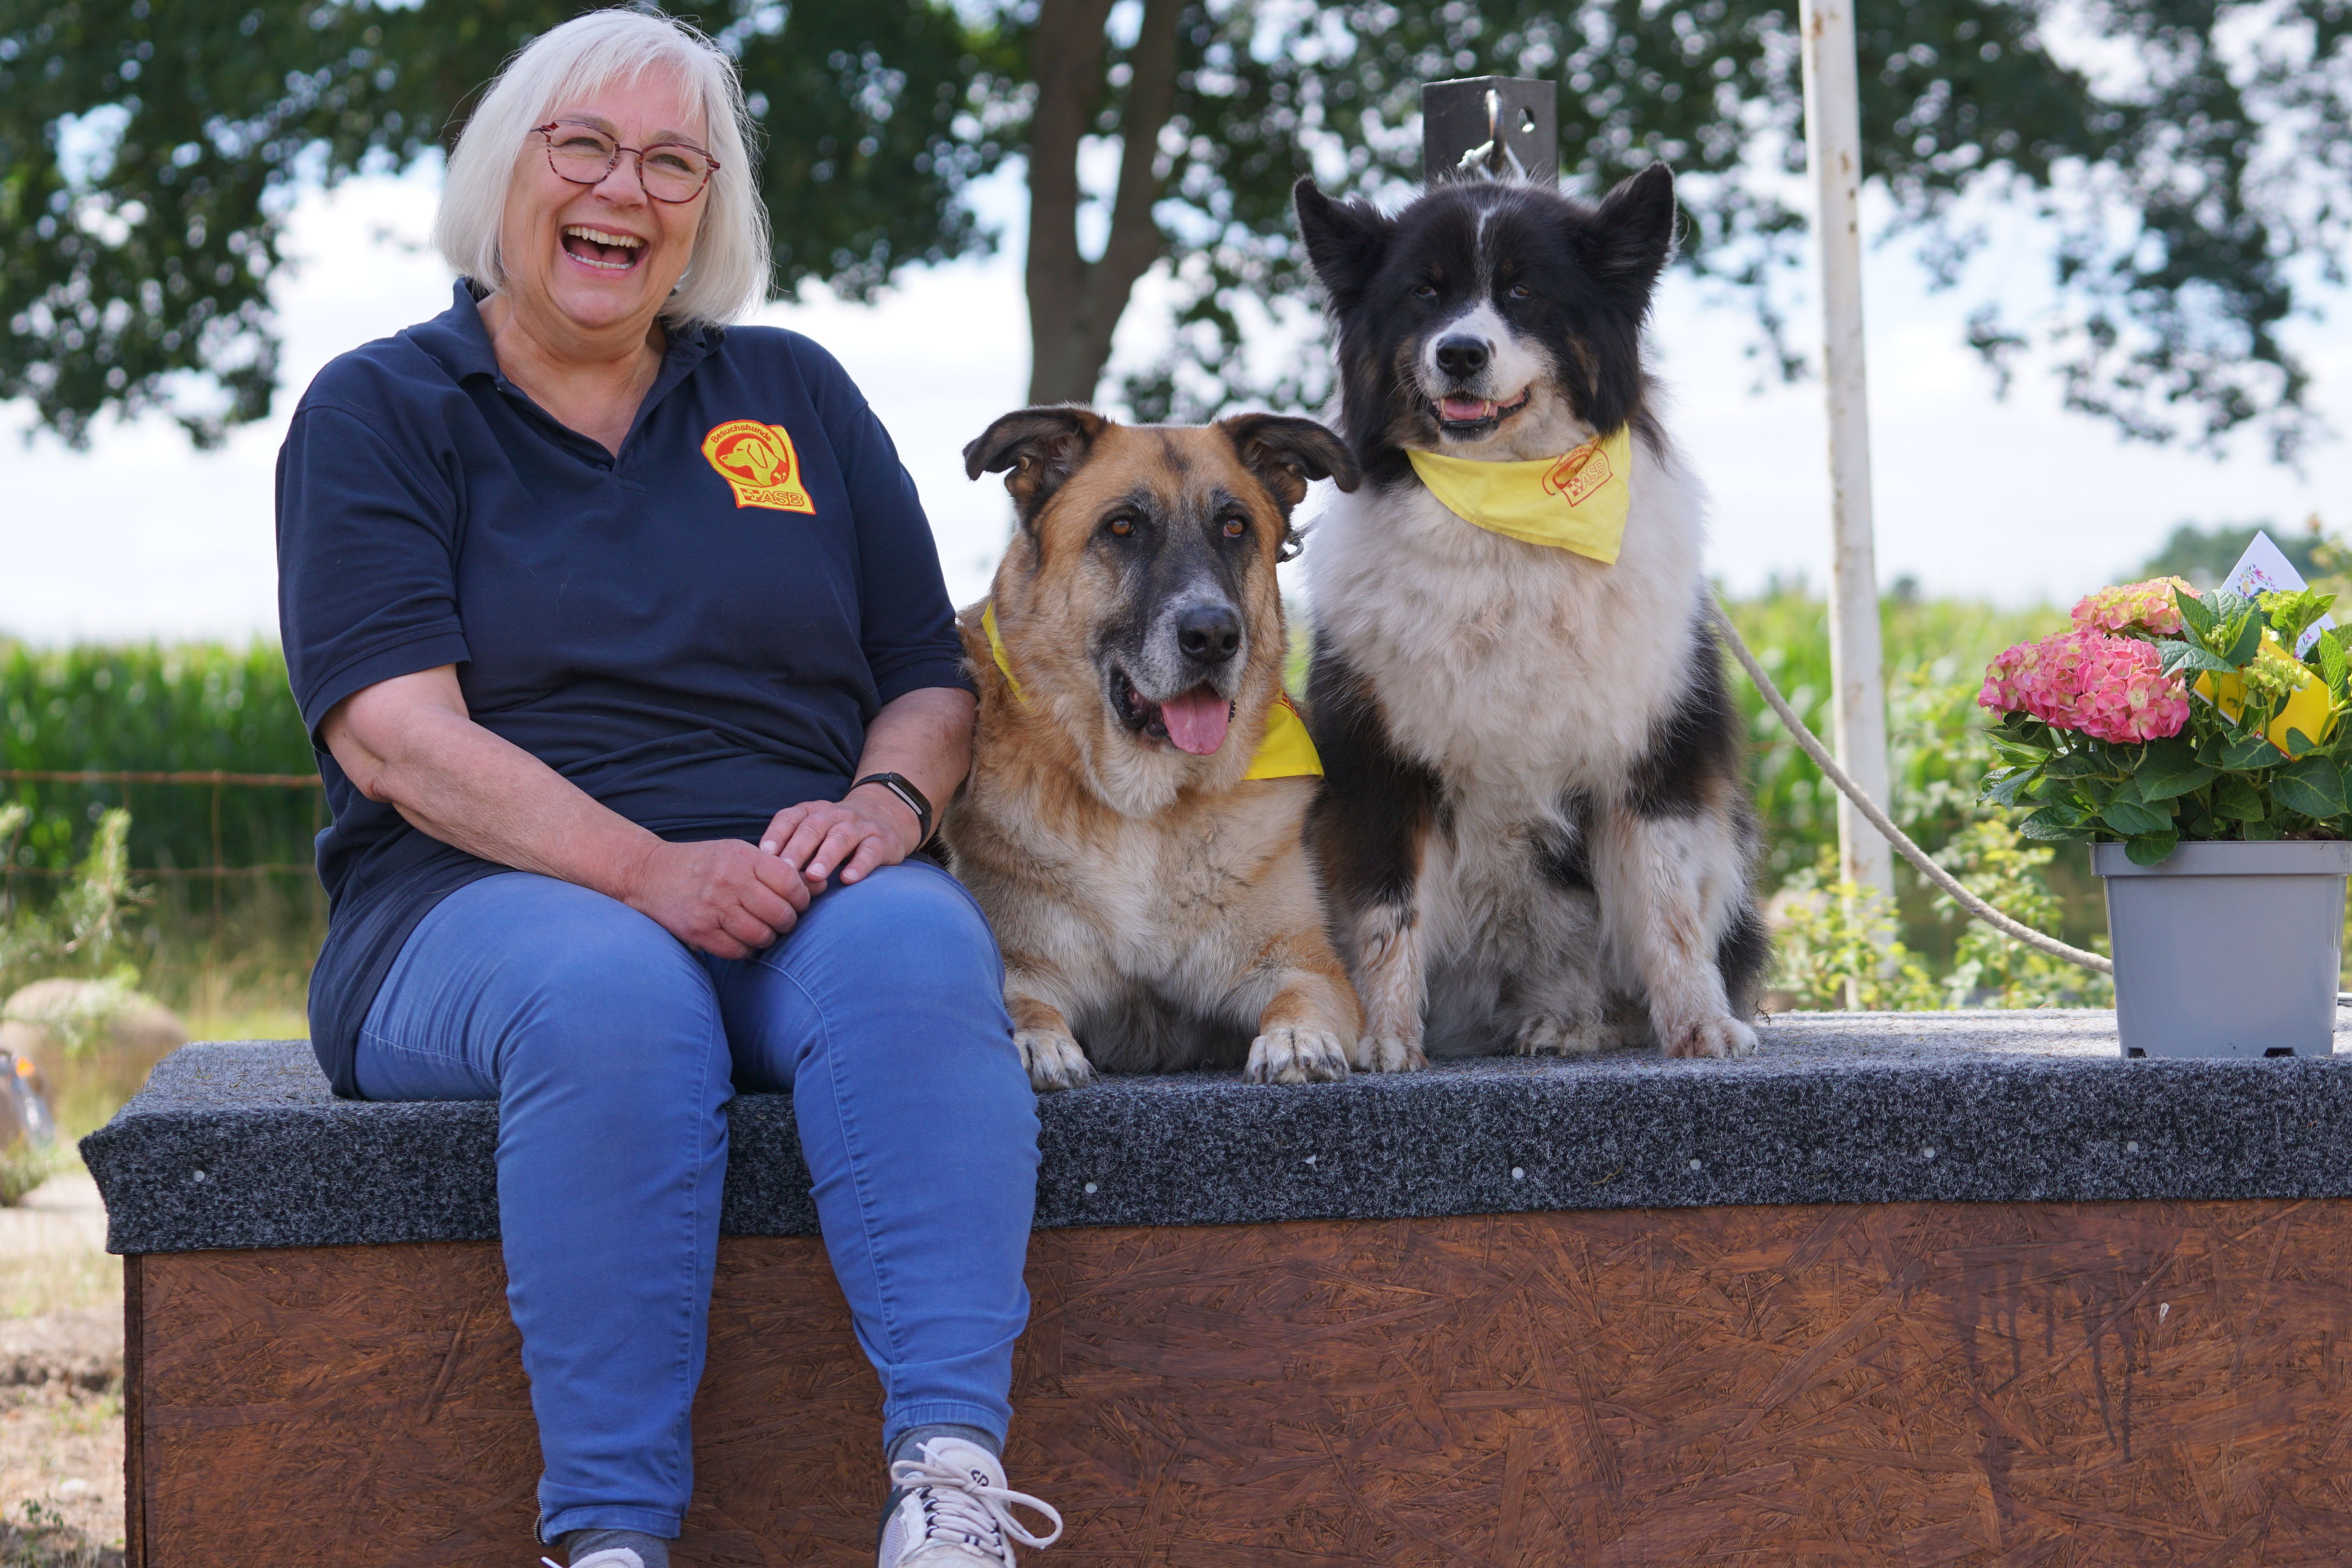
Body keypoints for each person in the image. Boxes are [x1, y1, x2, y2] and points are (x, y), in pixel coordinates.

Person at [274, 12, 1060, 1567]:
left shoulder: (796, 397)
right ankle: (613, 1538)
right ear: (507, 172)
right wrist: (646, 871)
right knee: (616, 992)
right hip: (472, 902)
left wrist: (891, 812)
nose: (622, 191)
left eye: (671, 163)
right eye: (584, 147)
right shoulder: (381, 412)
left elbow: (926, 675)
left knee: (915, 945)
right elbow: (394, 739)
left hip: (792, 879)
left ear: (707, 213)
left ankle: (951, 1492)